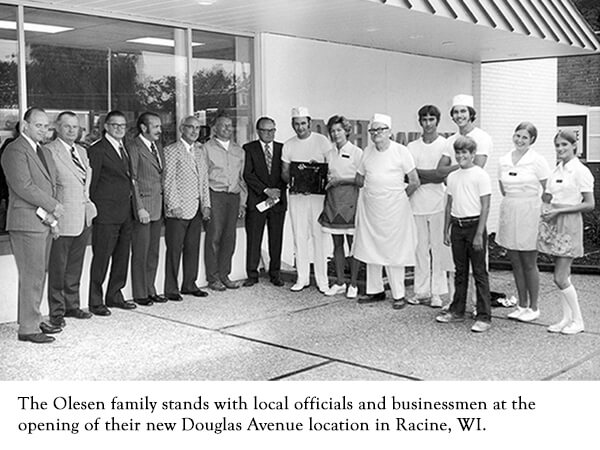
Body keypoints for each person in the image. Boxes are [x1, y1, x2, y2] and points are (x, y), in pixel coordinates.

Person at [1, 107, 64, 343]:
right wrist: (53, 205)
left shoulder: (44, 152)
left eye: (46, 126)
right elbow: (23, 186)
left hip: (43, 221)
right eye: (38, 125)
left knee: (38, 273)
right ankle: (28, 328)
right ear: (24, 125)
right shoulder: (15, 150)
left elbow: (53, 184)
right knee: (32, 275)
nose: (43, 130)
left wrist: (53, 218)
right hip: (26, 222)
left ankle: (33, 320)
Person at [353, 113, 419, 309]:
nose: (376, 134)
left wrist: (397, 198)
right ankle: (375, 291)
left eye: (381, 130)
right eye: (373, 130)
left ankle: (398, 294)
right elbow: (359, 178)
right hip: (372, 210)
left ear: (390, 132)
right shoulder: (367, 151)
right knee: (371, 249)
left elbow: (414, 181)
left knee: (394, 252)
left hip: (395, 212)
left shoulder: (401, 151)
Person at [437, 94, 493, 313]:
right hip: (457, 224)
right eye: (456, 112)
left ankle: (483, 313)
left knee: (479, 271)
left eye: (464, 111)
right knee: (459, 271)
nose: (460, 116)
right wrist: (458, 168)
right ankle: (458, 309)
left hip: (474, 221)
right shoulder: (451, 141)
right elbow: (439, 170)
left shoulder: (483, 138)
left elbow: (477, 166)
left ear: (471, 114)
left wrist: (456, 166)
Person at [537, 130, 595, 335]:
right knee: (564, 276)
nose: (560, 149)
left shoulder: (581, 171)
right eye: (558, 145)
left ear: (574, 146)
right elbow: (548, 195)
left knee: (560, 277)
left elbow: (589, 204)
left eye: (564, 145)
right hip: (554, 221)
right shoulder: (557, 170)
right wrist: (546, 207)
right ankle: (566, 318)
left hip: (569, 223)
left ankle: (578, 320)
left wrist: (560, 210)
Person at [46, 111, 96, 328]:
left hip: (83, 218)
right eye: (67, 126)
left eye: (75, 127)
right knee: (58, 267)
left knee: (75, 265)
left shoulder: (83, 152)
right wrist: (51, 219)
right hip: (62, 218)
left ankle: (72, 305)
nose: (71, 130)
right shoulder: (48, 151)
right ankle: (56, 311)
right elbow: (47, 188)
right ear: (57, 127)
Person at [497, 122, 550, 322]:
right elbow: (502, 188)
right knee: (515, 262)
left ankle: (534, 307)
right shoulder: (503, 160)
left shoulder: (537, 161)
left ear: (532, 141)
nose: (520, 140)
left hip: (530, 212)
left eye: (525, 137)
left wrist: (542, 212)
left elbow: (548, 190)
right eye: (517, 135)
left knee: (529, 262)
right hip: (510, 210)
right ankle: (521, 304)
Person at [88, 110, 136, 315]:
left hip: (125, 212)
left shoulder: (123, 148)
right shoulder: (98, 150)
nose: (119, 128)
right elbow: (92, 182)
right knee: (101, 257)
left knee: (122, 256)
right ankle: (95, 301)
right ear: (106, 126)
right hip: (106, 214)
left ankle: (115, 294)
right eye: (114, 125)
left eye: (123, 125)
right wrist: (94, 209)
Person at [407, 105, 452, 308]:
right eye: (424, 119)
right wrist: (432, 174)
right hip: (416, 203)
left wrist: (426, 175)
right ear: (420, 122)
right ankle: (421, 291)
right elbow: (411, 176)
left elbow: (441, 175)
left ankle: (437, 293)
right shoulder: (411, 147)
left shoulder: (445, 145)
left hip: (438, 204)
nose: (428, 123)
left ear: (437, 121)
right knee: (420, 249)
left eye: (431, 119)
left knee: (437, 249)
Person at [281, 107, 331, 293]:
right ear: (292, 125)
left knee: (320, 237)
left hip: (318, 198)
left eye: (303, 123)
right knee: (299, 236)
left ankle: (322, 281)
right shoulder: (289, 145)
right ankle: (302, 278)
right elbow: (285, 172)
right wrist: (297, 182)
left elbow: (330, 167)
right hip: (297, 198)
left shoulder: (322, 141)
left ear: (309, 123)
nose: (300, 127)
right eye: (296, 124)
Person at [163, 116, 211, 300]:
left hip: (196, 208)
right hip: (178, 210)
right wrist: (173, 205)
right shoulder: (171, 150)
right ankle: (171, 289)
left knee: (192, 248)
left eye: (197, 128)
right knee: (174, 250)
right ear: (182, 128)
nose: (194, 131)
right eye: (190, 127)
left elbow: (204, 180)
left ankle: (189, 284)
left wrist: (206, 204)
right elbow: (168, 181)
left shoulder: (200, 151)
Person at [318, 115, 362, 298]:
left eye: (339, 130)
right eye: (333, 131)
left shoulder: (357, 153)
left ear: (346, 131)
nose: (336, 134)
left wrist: (340, 181)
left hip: (351, 200)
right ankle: (340, 282)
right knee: (337, 243)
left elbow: (361, 180)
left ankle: (353, 284)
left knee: (353, 244)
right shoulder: (328, 154)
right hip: (333, 201)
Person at [203, 114, 247, 291]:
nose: (228, 129)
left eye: (230, 126)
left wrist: (242, 203)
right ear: (215, 128)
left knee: (230, 237)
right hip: (216, 195)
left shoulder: (239, 150)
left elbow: (242, 179)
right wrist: (205, 203)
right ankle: (213, 278)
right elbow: (203, 178)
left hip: (233, 197)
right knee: (214, 236)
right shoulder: (206, 148)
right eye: (223, 126)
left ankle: (224, 275)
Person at [243, 116, 287, 287]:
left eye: (272, 130)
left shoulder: (283, 149)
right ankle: (252, 275)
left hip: (277, 201)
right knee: (254, 238)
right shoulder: (249, 148)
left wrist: (276, 192)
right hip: (257, 201)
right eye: (265, 130)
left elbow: (286, 173)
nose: (269, 134)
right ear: (258, 131)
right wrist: (266, 190)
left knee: (276, 239)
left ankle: (275, 274)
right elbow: (248, 174)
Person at [129, 112, 167, 306]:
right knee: (141, 252)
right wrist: (139, 207)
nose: (160, 130)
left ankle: (151, 289)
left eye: (160, 126)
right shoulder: (134, 146)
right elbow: (133, 179)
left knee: (153, 252)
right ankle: (140, 292)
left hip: (157, 207)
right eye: (156, 126)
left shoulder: (157, 147)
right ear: (143, 128)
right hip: (143, 209)